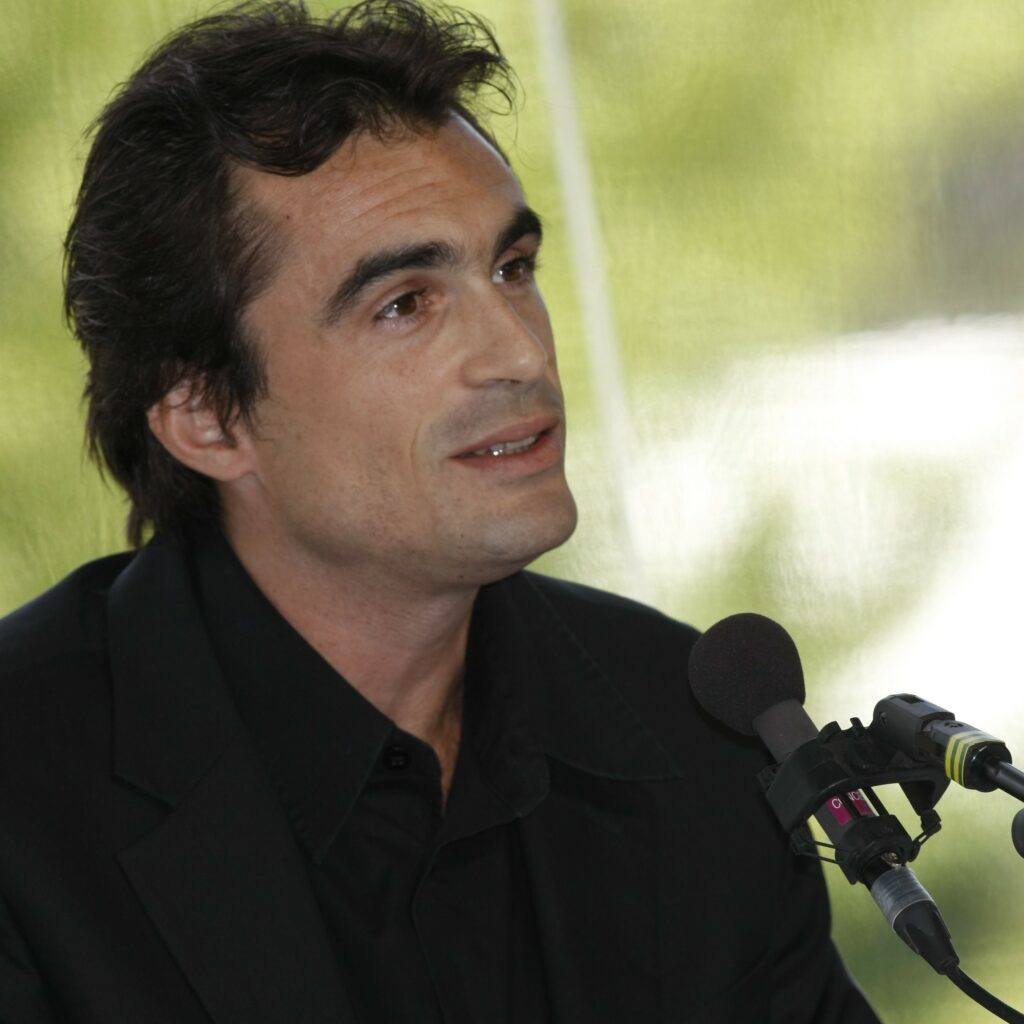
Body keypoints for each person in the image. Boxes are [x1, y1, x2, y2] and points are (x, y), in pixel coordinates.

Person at [0, 1, 881, 1021]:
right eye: (405, 304)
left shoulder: (689, 730)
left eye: (513, 269)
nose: (519, 351)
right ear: (205, 415)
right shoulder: (24, 795)